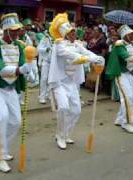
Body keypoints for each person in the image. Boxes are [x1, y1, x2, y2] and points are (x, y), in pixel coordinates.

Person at [0, 13, 34, 173]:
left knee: (16, 121)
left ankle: (0, 148)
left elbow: (24, 62)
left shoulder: (19, 45)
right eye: (13, 30)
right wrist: (20, 70)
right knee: (1, 118)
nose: (17, 33)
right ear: (5, 31)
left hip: (11, 89)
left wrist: (31, 73)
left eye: (18, 30)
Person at [48, 13, 104, 150]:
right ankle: (60, 136)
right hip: (60, 82)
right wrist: (89, 60)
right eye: (70, 33)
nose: (74, 35)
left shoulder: (77, 44)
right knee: (63, 108)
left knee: (77, 111)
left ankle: (65, 134)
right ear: (65, 34)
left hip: (71, 83)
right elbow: (72, 56)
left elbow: (86, 52)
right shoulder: (59, 45)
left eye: (74, 32)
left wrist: (97, 57)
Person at [105, 25, 133, 134]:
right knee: (127, 98)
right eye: (131, 34)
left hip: (130, 74)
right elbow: (126, 57)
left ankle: (120, 119)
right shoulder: (119, 44)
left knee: (128, 98)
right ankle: (126, 123)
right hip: (120, 74)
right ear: (125, 35)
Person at [37, 31, 52, 104]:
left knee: (52, 79)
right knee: (44, 79)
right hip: (45, 61)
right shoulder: (45, 38)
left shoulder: (58, 38)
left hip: (53, 63)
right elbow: (39, 48)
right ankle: (42, 97)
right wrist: (46, 49)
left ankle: (49, 95)